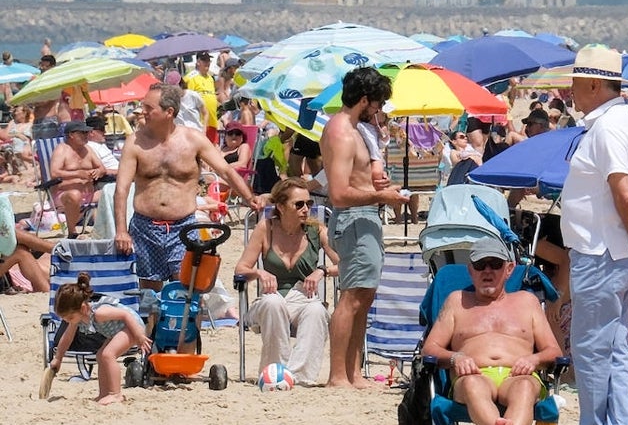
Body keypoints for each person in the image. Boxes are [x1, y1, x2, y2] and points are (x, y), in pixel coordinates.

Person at [552, 46, 628, 425]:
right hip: (612, 250)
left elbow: (625, 192)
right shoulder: (625, 121)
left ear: (594, 83)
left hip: (601, 251)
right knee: (613, 345)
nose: (571, 91)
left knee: (591, 347)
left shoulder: (608, 128)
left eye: (576, 83)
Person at [114, 84, 260, 287]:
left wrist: (249, 197)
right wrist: (121, 230)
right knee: (149, 298)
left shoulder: (193, 140)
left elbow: (225, 171)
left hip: (183, 226)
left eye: (149, 107)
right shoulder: (135, 142)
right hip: (145, 227)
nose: (142, 111)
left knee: (188, 294)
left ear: (169, 112)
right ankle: (152, 320)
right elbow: (121, 189)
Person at [423, 238, 564, 425]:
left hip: (519, 374)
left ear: (509, 269)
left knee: (524, 386)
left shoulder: (527, 302)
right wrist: (455, 357)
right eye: (480, 265)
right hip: (474, 374)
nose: (487, 271)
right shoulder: (457, 301)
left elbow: (554, 351)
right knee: (473, 385)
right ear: (471, 271)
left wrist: (534, 359)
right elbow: (430, 349)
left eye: (495, 265)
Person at [320, 67, 409, 389]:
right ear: (363, 100)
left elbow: (354, 180)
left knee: (365, 296)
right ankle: (337, 375)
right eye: (378, 103)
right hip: (353, 217)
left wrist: (378, 187)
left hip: (364, 215)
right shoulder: (342, 132)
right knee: (352, 297)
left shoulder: (356, 130)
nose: (380, 110)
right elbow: (339, 192)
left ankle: (353, 372)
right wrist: (380, 194)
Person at [234, 177, 338, 386]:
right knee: (274, 304)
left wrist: (322, 270)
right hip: (270, 299)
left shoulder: (316, 230)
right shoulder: (266, 228)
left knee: (317, 311)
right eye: (299, 204)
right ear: (280, 207)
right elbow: (240, 269)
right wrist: (259, 274)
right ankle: (275, 373)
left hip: (303, 298)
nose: (306, 209)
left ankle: (298, 377)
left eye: (309, 204)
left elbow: (345, 265)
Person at [50, 272, 152, 404]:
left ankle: (115, 394)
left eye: (70, 317)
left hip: (132, 326)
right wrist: (58, 358)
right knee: (100, 356)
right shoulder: (78, 318)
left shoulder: (99, 312)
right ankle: (104, 393)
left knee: (108, 355)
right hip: (117, 331)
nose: (69, 321)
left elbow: (126, 315)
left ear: (82, 308)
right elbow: (67, 338)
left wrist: (139, 336)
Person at [49, 120, 106, 238]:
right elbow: (54, 173)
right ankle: (72, 232)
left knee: (112, 191)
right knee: (74, 194)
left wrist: (98, 172)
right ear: (71, 135)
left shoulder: (88, 150)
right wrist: (79, 174)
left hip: (89, 195)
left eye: (87, 133)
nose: (86, 136)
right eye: (82, 133)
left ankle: (111, 229)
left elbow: (102, 168)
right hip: (64, 195)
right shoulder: (62, 150)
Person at [184, 51, 220, 144]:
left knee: (212, 146)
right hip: (199, 122)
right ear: (198, 62)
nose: (207, 62)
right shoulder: (191, 77)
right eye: (204, 60)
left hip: (212, 120)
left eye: (208, 60)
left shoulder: (210, 78)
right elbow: (187, 99)